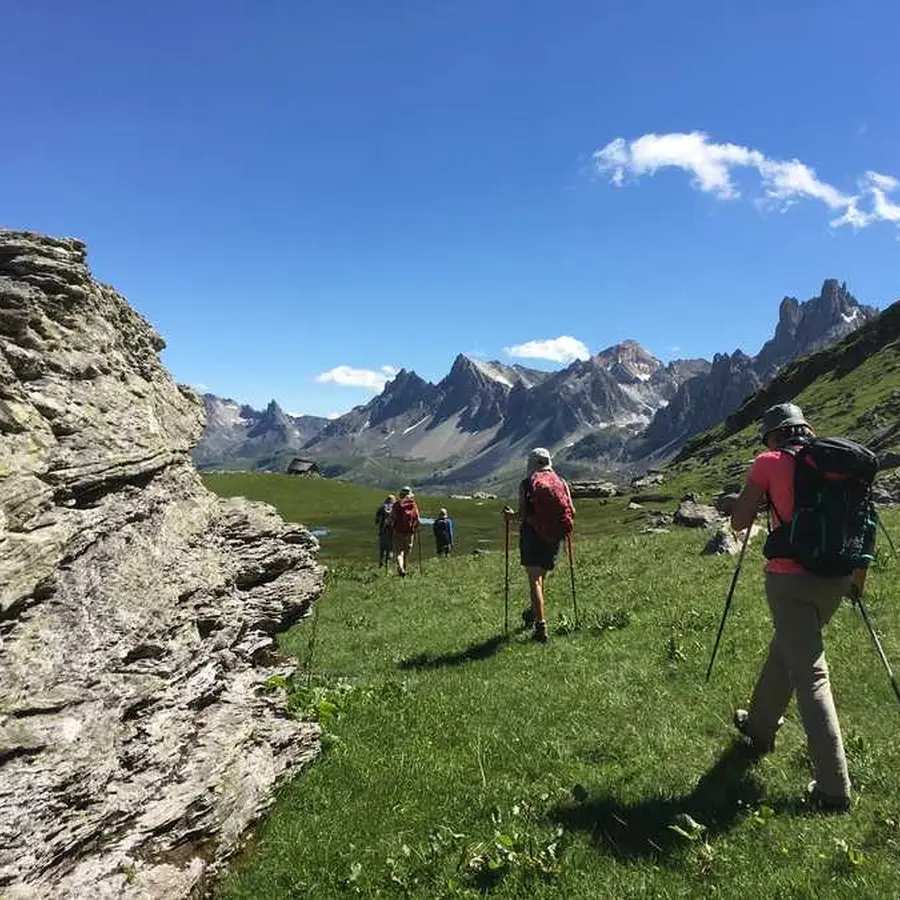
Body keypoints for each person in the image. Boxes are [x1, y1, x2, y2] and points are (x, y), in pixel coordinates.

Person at [730, 402, 854, 811]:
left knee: (810, 673)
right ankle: (760, 728)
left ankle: (833, 787)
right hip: (836, 576)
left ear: (774, 435)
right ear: (805, 429)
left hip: (790, 579)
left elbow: (738, 521)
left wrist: (763, 492)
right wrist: (858, 579)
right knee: (786, 650)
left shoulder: (768, 461)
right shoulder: (836, 461)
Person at [503, 447, 575, 642]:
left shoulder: (527, 484)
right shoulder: (561, 482)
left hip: (533, 535)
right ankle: (534, 611)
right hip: (554, 537)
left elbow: (522, 515)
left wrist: (509, 517)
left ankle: (540, 625)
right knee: (541, 576)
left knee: (534, 579)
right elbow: (572, 511)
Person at [391, 486, 420, 576]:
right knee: (407, 552)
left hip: (398, 531)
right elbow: (417, 519)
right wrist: (416, 527)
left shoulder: (397, 504)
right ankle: (404, 569)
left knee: (399, 552)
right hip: (410, 531)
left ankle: (400, 568)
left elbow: (393, 517)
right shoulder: (413, 504)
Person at [375, 494, 395, 567]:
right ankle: (388, 564)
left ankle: (381, 563)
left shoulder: (381, 508)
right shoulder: (395, 508)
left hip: (383, 531)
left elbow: (377, 521)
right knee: (390, 548)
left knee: (382, 548)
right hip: (392, 531)